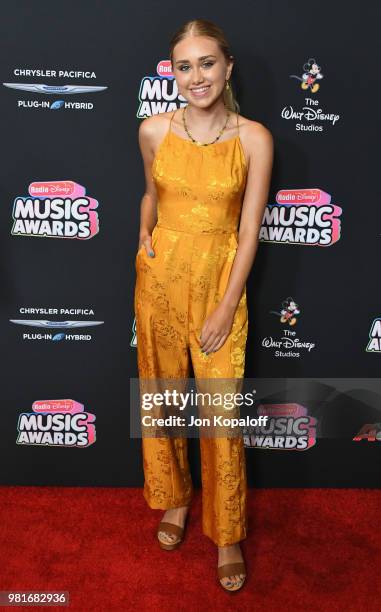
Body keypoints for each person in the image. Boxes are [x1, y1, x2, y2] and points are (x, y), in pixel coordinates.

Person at [134, 18, 273, 592]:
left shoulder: (253, 138)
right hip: (158, 279)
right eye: (184, 66)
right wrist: (142, 238)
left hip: (219, 282)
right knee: (162, 396)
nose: (196, 77)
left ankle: (228, 531)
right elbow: (151, 193)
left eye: (207, 63)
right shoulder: (152, 129)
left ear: (228, 67)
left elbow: (250, 231)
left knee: (221, 416)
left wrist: (226, 305)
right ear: (173, 72)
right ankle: (173, 501)